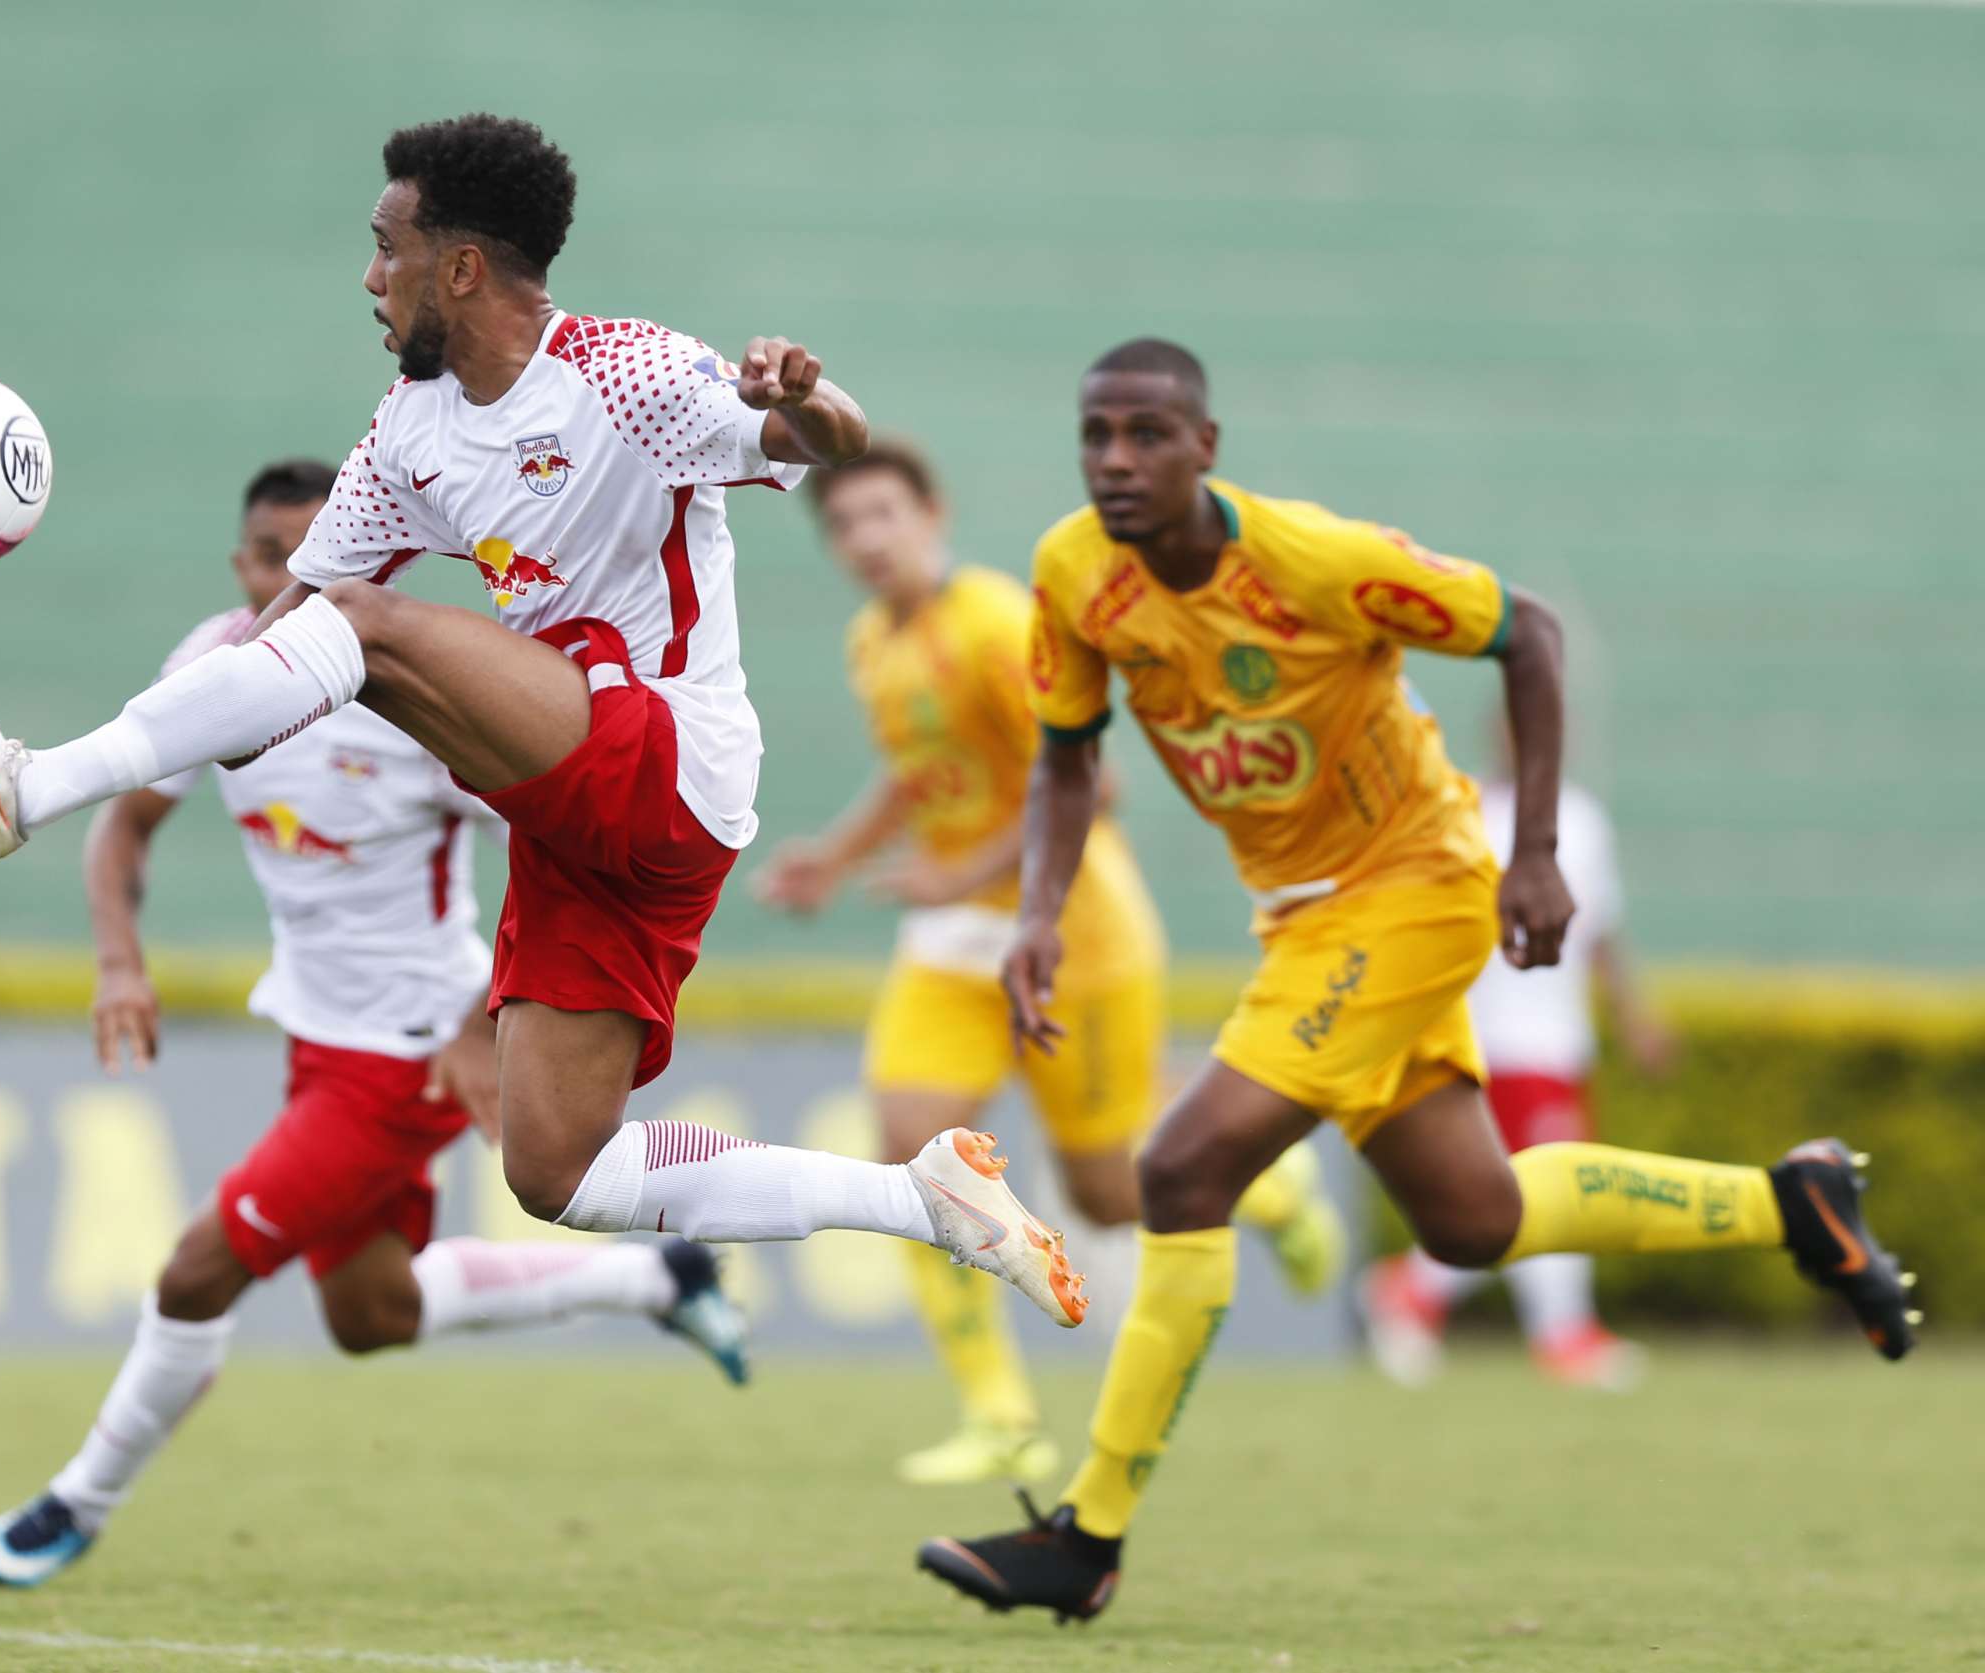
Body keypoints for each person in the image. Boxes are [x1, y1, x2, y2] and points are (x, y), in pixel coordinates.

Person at [0, 115, 1091, 1331]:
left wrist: (813, 393)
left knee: (373, 633)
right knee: (556, 1171)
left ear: (460, 266)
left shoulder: (624, 372)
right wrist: (225, 720)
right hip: (584, 816)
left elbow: (815, 439)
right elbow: (288, 632)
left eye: (387, 248)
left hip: (666, 751)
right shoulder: (407, 432)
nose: (371, 278)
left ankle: (29, 787)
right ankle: (922, 1196)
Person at [916, 339, 1918, 1624]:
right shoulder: (1072, 573)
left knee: (1178, 1171)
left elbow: (1528, 633)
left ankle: (1087, 1532)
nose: (1117, 461)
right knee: (1473, 1220)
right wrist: (1038, 914)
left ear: (1204, 446)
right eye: (1096, 435)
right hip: (1304, 919)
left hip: (1415, 889)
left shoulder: (1317, 562)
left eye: (1147, 435)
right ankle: (1792, 1204)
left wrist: (1538, 853)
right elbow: (1065, 754)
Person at [0, 462, 748, 1589]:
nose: (299, 576)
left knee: (195, 1274)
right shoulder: (213, 666)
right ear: (243, 570)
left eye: (318, 554)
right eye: (274, 557)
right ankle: (655, 1282)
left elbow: (562, 853)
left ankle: (73, 1503)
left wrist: (486, 1027)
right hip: (317, 1037)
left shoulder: (407, 700)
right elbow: (127, 824)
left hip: (409, 1055)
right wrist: (120, 962)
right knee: (372, 1309)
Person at [755, 441, 1344, 1486]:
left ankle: (1274, 1189)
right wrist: (835, 860)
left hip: (1070, 932)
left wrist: (960, 871)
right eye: (844, 524)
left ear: (932, 513)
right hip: (951, 950)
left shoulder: (991, 620)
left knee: (1111, 1193)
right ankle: (1000, 1415)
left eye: (884, 513)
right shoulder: (870, 643)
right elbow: (915, 770)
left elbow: (1091, 786)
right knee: (911, 1154)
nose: (866, 539)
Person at [1361, 760, 1676, 1391]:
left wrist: (1632, 1017)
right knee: (1553, 1190)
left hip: (1559, 1041)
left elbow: (1600, 932)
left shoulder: (1582, 820)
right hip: (1494, 1037)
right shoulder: (1465, 813)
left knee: (1525, 1194)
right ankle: (1558, 1330)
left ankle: (1414, 1288)